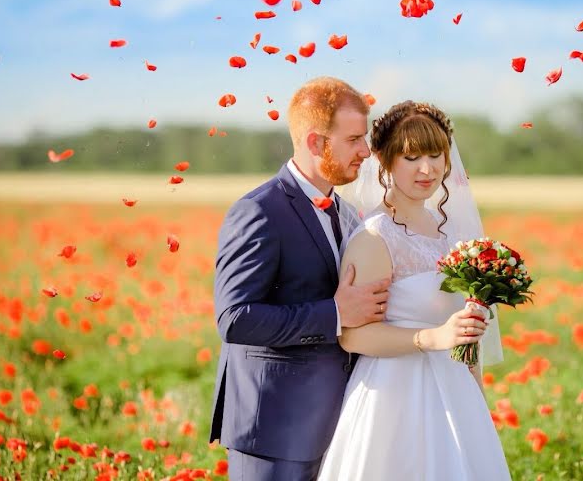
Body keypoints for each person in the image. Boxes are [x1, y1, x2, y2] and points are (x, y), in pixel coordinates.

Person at [209, 76, 393, 480]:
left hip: (339, 425)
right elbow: (235, 319)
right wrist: (334, 314)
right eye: (354, 140)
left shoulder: (345, 213)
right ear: (315, 143)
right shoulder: (259, 211)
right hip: (274, 430)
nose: (366, 151)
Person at [317, 101, 511, 480]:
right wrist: (433, 337)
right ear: (385, 162)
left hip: (455, 391)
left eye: (436, 154)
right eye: (412, 156)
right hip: (393, 397)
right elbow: (354, 336)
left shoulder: (451, 235)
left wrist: (475, 393)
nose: (428, 168)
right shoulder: (374, 237)